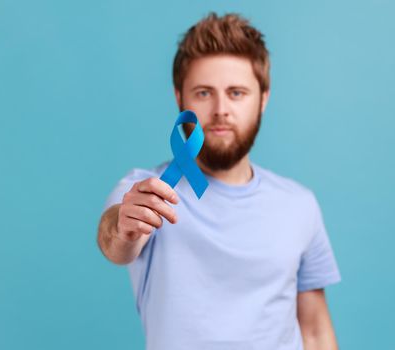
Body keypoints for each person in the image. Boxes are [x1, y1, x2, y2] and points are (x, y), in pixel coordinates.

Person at [97, 12, 342, 350]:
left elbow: (315, 332)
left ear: (263, 99)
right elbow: (115, 242)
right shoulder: (145, 191)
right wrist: (122, 226)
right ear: (179, 98)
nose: (220, 109)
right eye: (203, 93)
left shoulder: (299, 205)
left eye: (237, 93)